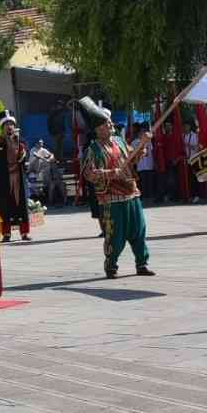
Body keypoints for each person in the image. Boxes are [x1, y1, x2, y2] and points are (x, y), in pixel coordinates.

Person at [79, 97, 154, 279]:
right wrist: (109, 172)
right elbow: (88, 173)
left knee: (139, 230)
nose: (110, 124)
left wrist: (143, 144)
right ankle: (111, 265)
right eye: (106, 123)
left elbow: (133, 158)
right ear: (98, 129)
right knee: (116, 236)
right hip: (111, 199)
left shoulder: (119, 141)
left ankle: (141, 263)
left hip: (131, 193)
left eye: (109, 122)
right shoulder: (93, 150)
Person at [0, 111, 32, 241]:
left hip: (19, 179)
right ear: (2, 127)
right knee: (5, 207)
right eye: (7, 124)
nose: (9, 127)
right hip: (5, 179)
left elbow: (25, 155)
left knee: (22, 206)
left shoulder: (21, 140)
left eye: (11, 124)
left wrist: (21, 149)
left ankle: (24, 232)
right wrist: (5, 144)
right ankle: (6, 233)